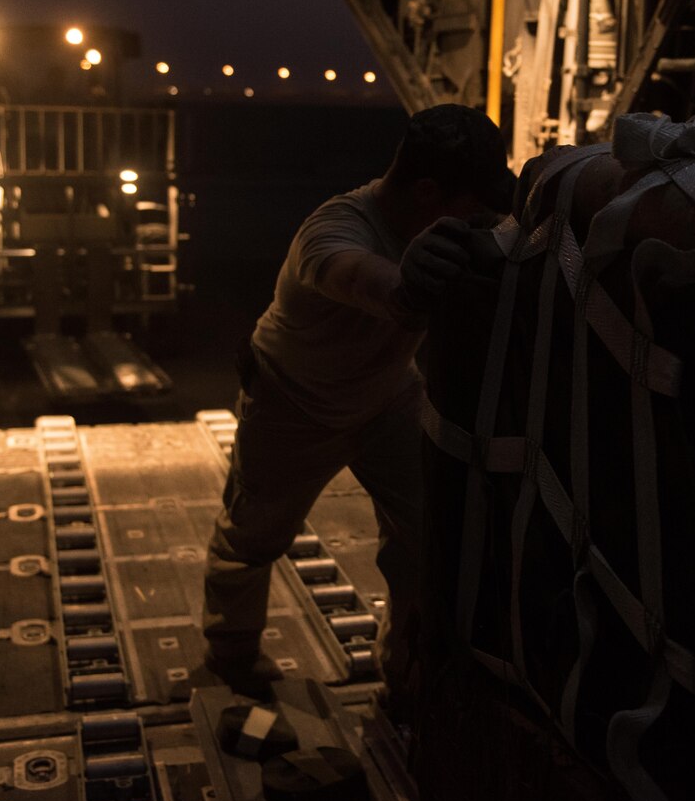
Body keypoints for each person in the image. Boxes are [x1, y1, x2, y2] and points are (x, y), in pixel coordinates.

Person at [201, 104, 514, 704]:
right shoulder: (332, 232)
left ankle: (405, 669)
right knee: (252, 538)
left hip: (386, 394)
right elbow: (357, 276)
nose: (485, 219)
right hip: (293, 402)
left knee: (427, 534)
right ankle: (232, 653)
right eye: (475, 205)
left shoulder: (441, 217)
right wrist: (407, 284)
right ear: (427, 191)